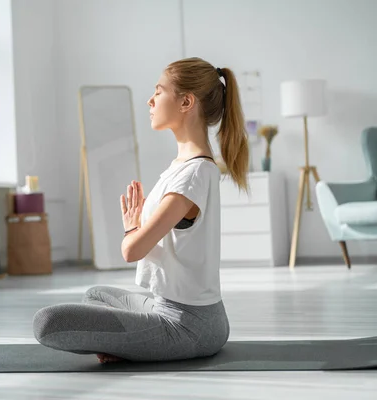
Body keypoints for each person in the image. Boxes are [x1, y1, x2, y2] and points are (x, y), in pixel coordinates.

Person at [32, 57, 249, 363]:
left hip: (188, 326)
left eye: (158, 92)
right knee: (96, 296)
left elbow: (132, 250)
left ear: (186, 102)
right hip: (169, 309)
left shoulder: (193, 174)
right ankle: (131, 344)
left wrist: (133, 228)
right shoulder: (182, 168)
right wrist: (138, 225)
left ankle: (132, 345)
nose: (150, 99)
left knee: (47, 323)